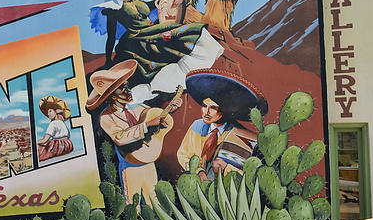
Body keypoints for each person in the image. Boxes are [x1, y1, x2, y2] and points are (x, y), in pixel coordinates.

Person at [88, 0, 224, 105]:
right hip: (139, 35)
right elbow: (111, 37)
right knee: (187, 30)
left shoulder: (136, 1)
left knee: (183, 32)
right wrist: (107, 61)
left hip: (151, 30)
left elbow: (150, 5)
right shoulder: (114, 8)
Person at [87, 60, 182, 204]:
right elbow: (119, 137)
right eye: (123, 88)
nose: (128, 90)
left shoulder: (136, 106)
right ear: (113, 95)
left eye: (127, 86)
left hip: (148, 161)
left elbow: (154, 117)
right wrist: (147, 124)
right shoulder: (106, 117)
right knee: (133, 203)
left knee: (153, 202)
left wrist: (170, 111)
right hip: (130, 166)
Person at [176, 69, 267, 180]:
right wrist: (199, 172)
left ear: (224, 111)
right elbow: (184, 154)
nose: (206, 112)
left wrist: (226, 169)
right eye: (204, 106)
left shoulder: (246, 139)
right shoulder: (198, 126)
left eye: (213, 108)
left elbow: (253, 177)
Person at [36, 96, 74, 161]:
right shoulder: (61, 122)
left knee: (40, 150)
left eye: (50, 111)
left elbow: (45, 139)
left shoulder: (53, 123)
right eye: (47, 112)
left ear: (56, 111)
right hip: (68, 145)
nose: (48, 114)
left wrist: (35, 142)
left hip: (58, 146)